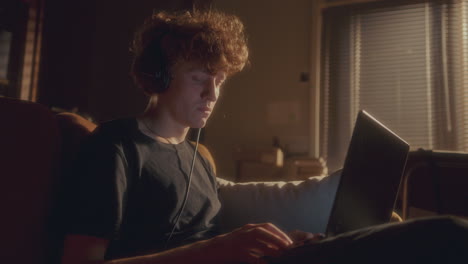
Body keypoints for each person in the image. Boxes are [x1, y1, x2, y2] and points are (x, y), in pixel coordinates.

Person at [60, 9, 468, 264]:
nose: (212, 94)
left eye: (219, 81)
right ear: (158, 77)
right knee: (447, 234)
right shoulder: (116, 147)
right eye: (200, 78)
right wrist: (214, 250)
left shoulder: (198, 159)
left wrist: (283, 242)